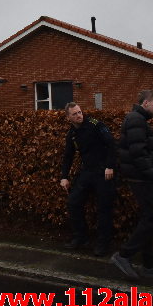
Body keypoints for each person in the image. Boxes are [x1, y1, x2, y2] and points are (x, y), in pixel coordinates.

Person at [111, 90, 153, 280]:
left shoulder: (139, 119)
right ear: (145, 103)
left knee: (150, 220)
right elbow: (138, 154)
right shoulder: (136, 120)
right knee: (152, 219)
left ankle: (148, 265)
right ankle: (123, 255)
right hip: (140, 178)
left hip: (142, 177)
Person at [59, 102, 116, 257]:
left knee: (104, 208)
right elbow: (68, 156)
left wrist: (110, 166)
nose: (79, 115)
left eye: (80, 112)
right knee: (73, 202)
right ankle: (80, 237)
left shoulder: (95, 125)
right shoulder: (72, 134)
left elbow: (112, 144)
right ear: (68, 117)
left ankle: (103, 244)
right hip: (87, 172)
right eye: (75, 114)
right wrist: (64, 176)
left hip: (104, 171)